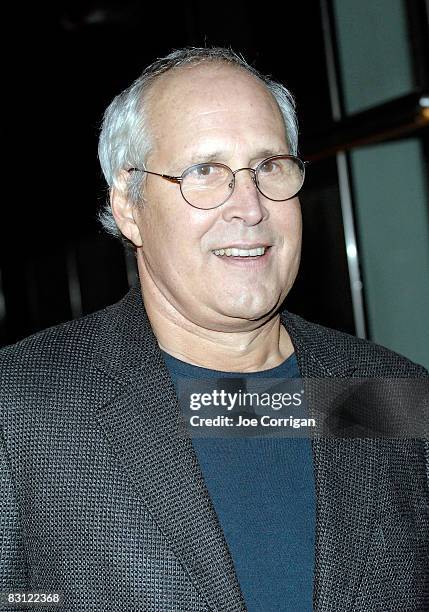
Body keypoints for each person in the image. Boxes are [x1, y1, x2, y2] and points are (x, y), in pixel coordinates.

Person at [1, 47, 428, 612]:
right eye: (206, 172)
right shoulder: (25, 405)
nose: (250, 206)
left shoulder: (389, 395)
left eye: (270, 166)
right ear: (129, 206)